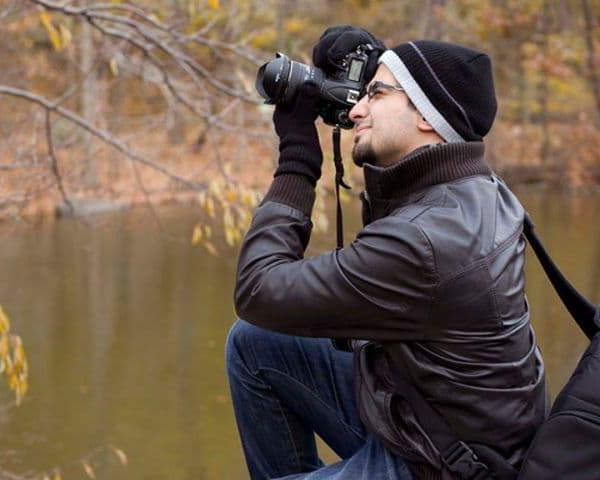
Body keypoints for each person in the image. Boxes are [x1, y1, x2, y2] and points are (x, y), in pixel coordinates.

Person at [226, 26, 548, 480]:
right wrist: (380, 63)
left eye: (374, 94)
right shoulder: (470, 187)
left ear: (425, 116)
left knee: (256, 320)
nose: (355, 109)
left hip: (449, 464)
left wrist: (297, 159)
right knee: (254, 343)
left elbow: (259, 289)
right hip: (434, 414)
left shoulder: (426, 242)